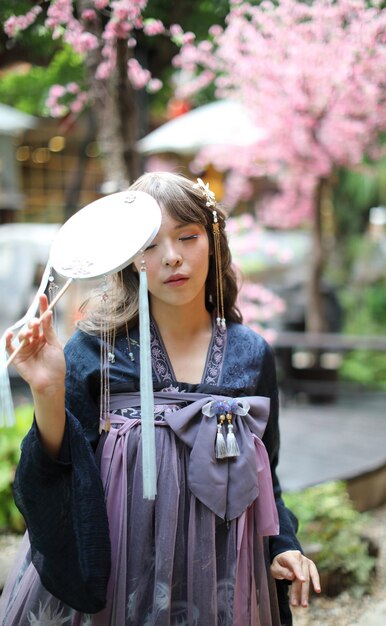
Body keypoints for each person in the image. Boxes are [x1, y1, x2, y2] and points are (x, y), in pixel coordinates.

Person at [0, 172, 320, 626]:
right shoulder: (95, 348)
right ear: (131, 259)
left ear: (213, 241)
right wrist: (48, 391)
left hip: (222, 569)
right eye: (150, 245)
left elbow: (267, 475)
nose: (172, 258)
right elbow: (62, 469)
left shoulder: (251, 355)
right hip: (121, 572)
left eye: (187, 237)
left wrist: (282, 545)